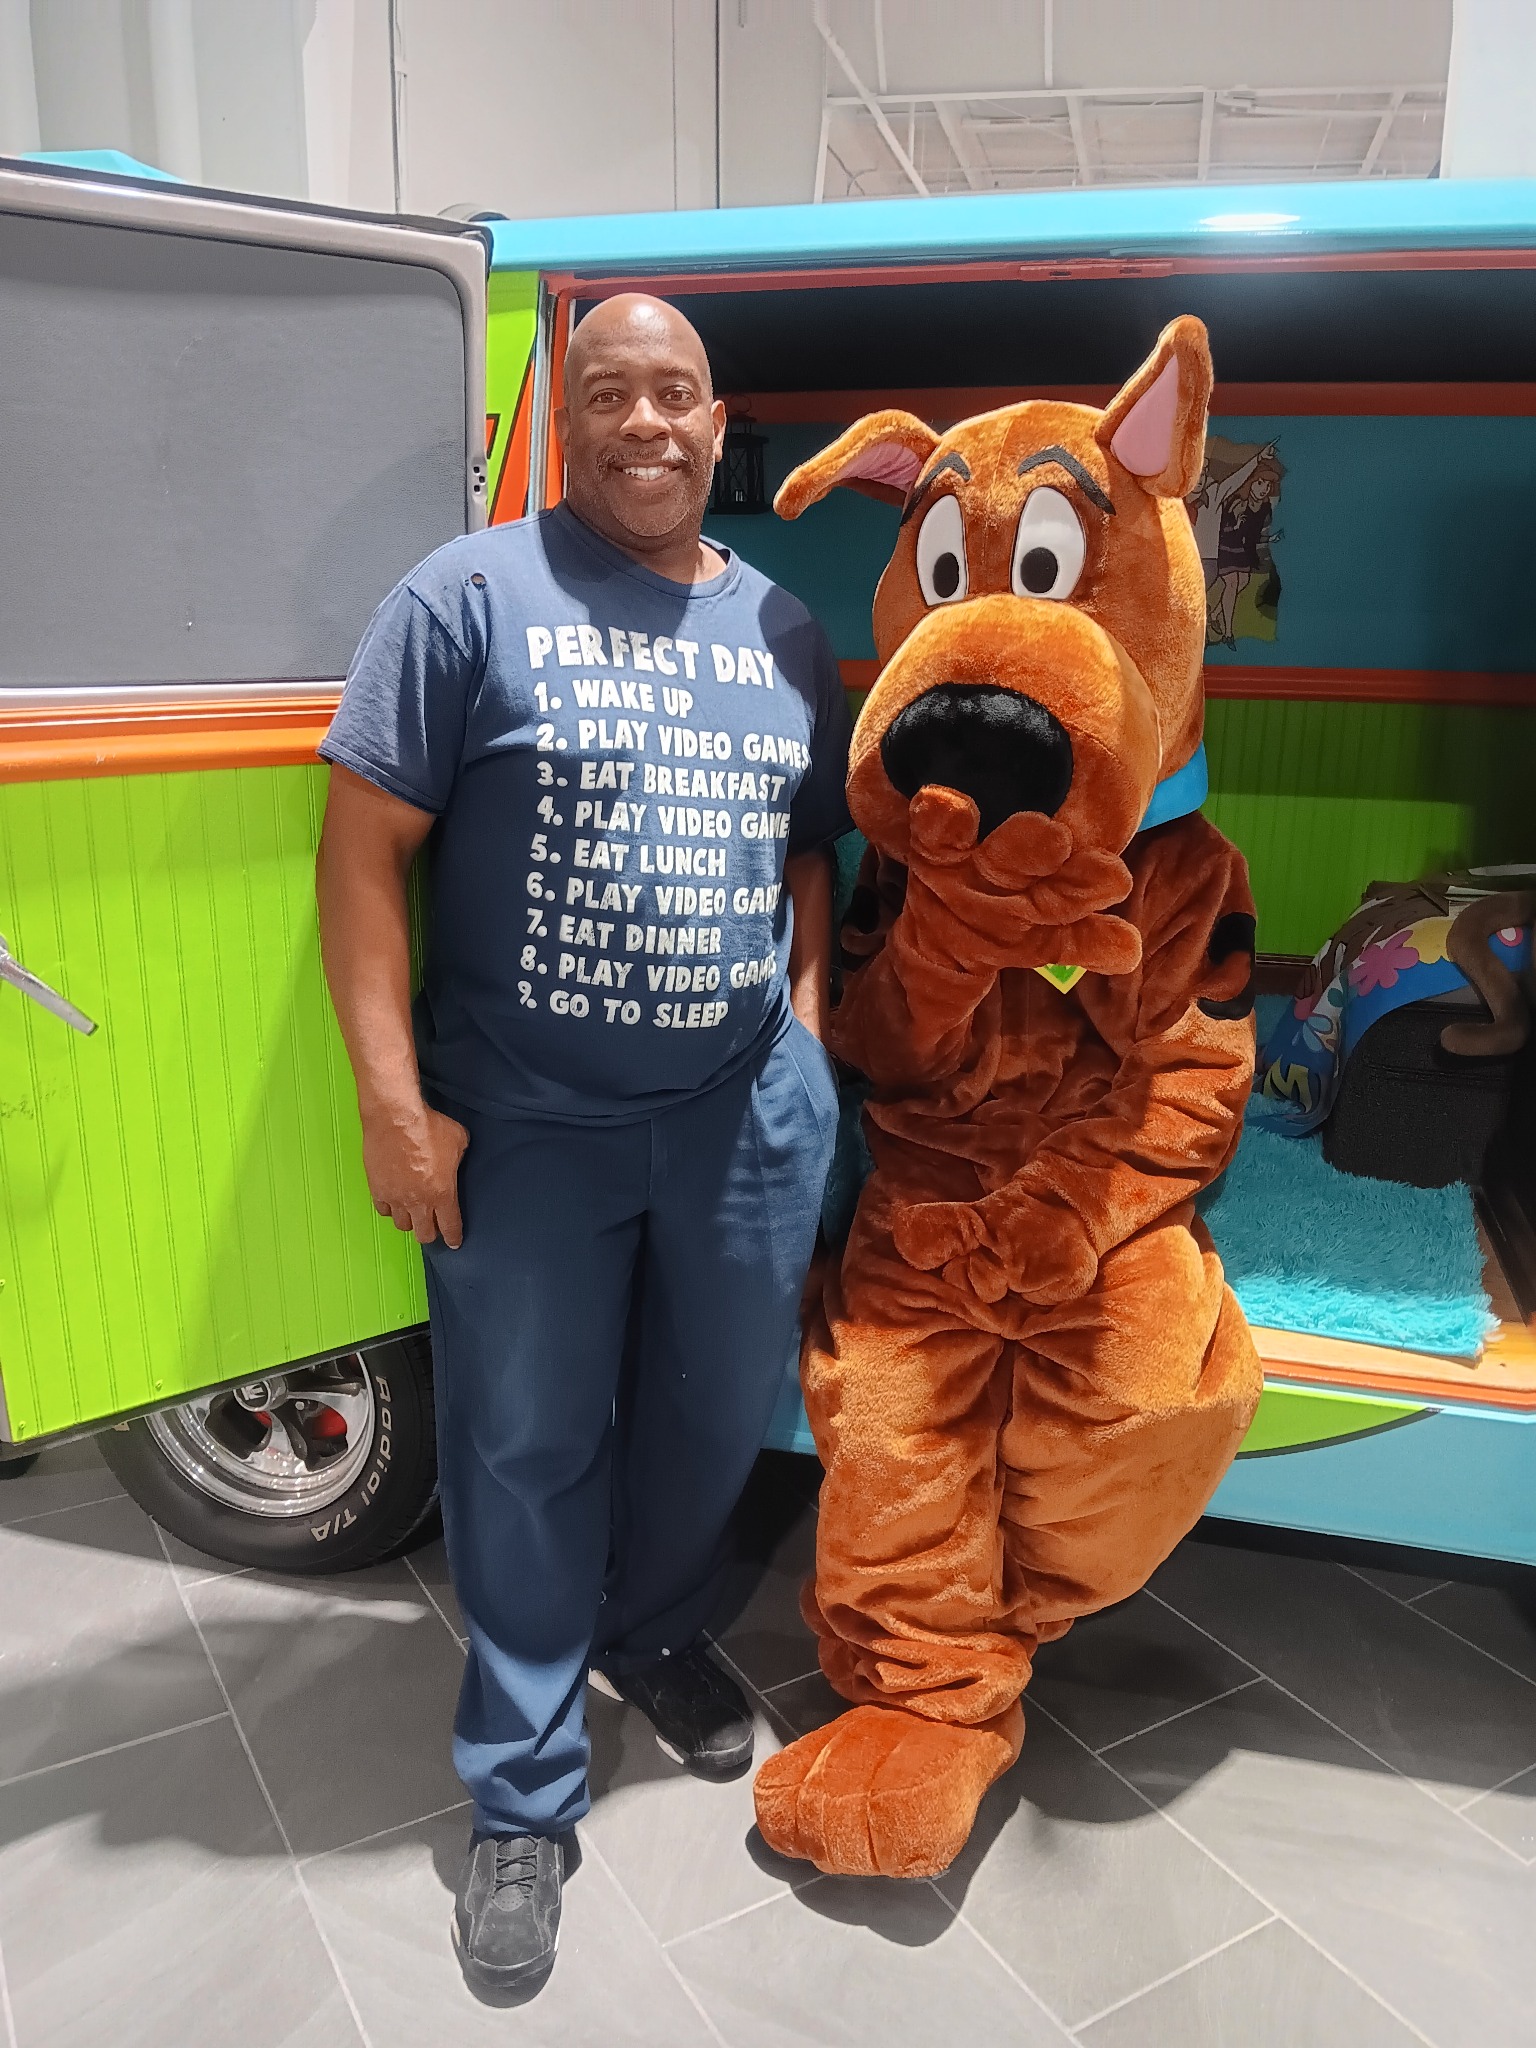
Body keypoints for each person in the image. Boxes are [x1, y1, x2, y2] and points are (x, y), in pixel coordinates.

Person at [314, 294, 850, 1993]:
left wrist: (808, 1034)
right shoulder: (464, 599)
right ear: (569, 417)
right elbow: (360, 854)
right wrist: (393, 1105)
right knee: (526, 1447)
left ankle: (654, 1628)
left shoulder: (785, 629)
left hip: (741, 1118)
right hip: (527, 1127)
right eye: (609, 392)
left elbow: (811, 849)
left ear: (716, 422)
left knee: (712, 1417)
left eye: (674, 393)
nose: (645, 423)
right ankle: (522, 1795)